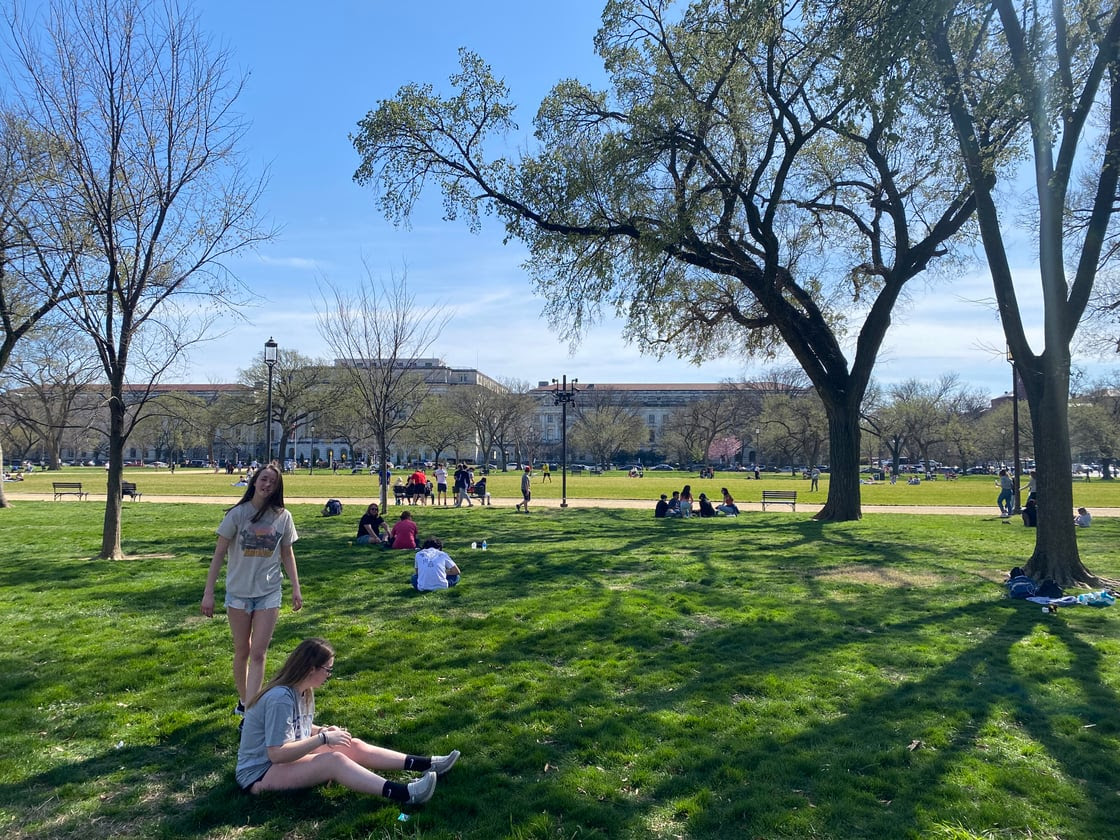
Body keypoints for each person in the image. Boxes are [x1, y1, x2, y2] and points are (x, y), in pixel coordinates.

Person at [235, 638, 459, 803]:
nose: (329, 675)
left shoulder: (303, 691)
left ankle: (427, 764)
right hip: (259, 774)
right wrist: (322, 739)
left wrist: (321, 730)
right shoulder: (280, 698)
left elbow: (294, 727)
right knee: (334, 761)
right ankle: (406, 794)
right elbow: (277, 752)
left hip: (279, 763)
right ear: (311, 669)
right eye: (328, 670)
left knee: (352, 745)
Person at [202, 464, 302, 722]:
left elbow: (287, 554)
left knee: (258, 653)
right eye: (263, 479)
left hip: (268, 592)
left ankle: (252, 710)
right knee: (242, 650)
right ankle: (245, 699)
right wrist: (208, 593)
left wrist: (295, 588)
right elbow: (219, 555)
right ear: (254, 481)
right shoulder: (237, 515)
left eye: (272, 482)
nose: (267, 485)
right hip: (238, 593)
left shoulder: (283, 517)